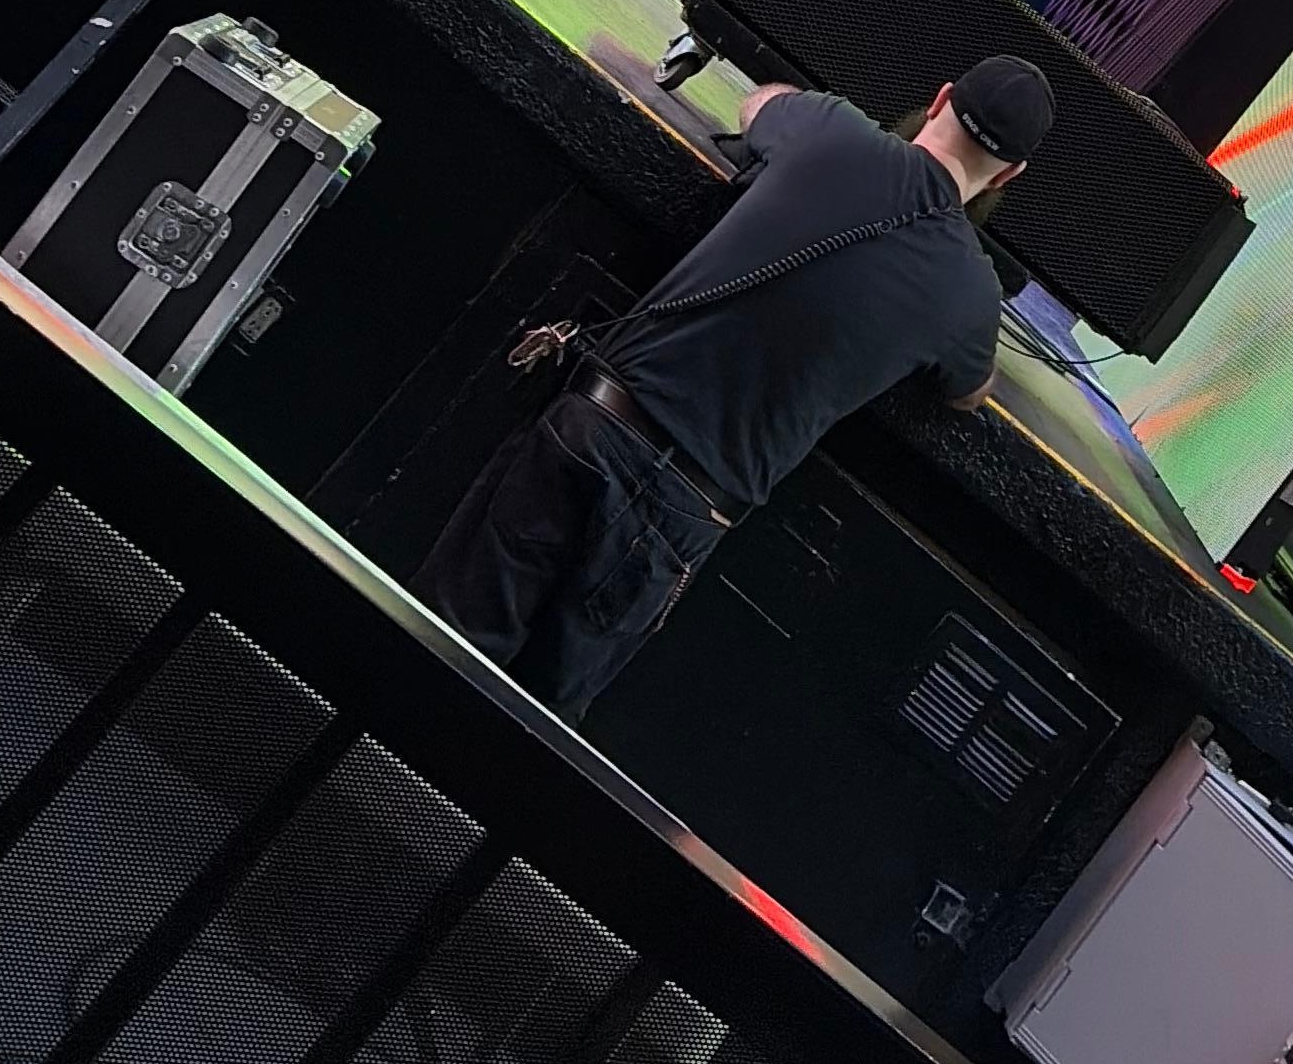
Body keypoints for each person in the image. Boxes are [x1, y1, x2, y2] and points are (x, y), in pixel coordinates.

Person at [420, 55, 1055, 723]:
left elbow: (759, 106)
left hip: (599, 426)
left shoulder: (831, 127)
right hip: (686, 510)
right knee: (530, 726)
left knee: (438, 645)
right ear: (1009, 174)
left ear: (941, 98)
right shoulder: (971, 292)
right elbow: (969, 389)